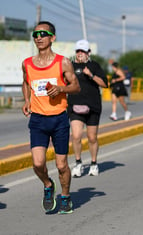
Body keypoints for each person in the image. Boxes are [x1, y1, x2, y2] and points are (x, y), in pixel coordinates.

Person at [21, 21, 80, 214]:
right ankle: (48, 185)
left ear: (52, 38)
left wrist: (61, 88)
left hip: (59, 119)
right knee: (38, 163)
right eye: (35, 34)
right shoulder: (27, 63)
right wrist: (27, 100)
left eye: (43, 34)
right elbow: (26, 82)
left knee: (61, 164)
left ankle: (65, 196)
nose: (38, 37)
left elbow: (76, 86)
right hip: (38, 120)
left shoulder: (63, 62)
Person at [68, 40, 108, 177]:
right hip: (75, 106)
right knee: (76, 136)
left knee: (92, 137)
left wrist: (91, 75)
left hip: (93, 106)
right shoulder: (70, 66)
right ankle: (78, 163)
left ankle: (93, 163)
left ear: (88, 53)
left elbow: (104, 84)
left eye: (83, 51)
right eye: (78, 51)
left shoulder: (94, 66)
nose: (80, 54)